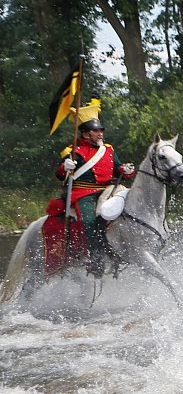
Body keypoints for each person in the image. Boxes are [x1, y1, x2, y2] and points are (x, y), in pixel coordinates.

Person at [54, 99, 136, 275]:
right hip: (83, 192)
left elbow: (119, 169)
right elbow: (60, 175)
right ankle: (95, 257)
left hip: (109, 189)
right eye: (96, 131)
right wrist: (65, 166)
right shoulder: (74, 152)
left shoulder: (108, 150)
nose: (100, 133)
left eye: (101, 130)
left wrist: (126, 170)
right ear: (85, 134)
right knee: (89, 221)